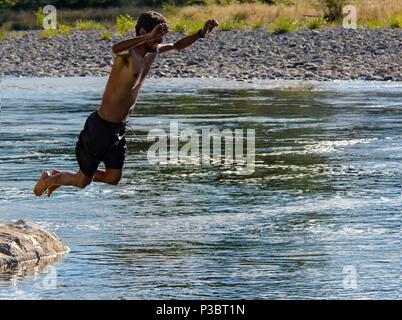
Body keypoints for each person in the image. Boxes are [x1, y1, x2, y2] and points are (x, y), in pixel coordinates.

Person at [33, 11, 218, 197]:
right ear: (144, 31)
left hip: (118, 128)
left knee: (113, 178)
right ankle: (52, 179)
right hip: (100, 126)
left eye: (160, 37)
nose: (158, 41)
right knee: (82, 182)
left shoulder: (152, 52)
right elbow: (115, 48)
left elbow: (177, 45)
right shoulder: (128, 54)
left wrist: (201, 33)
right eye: (156, 36)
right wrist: (149, 37)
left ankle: (62, 176)